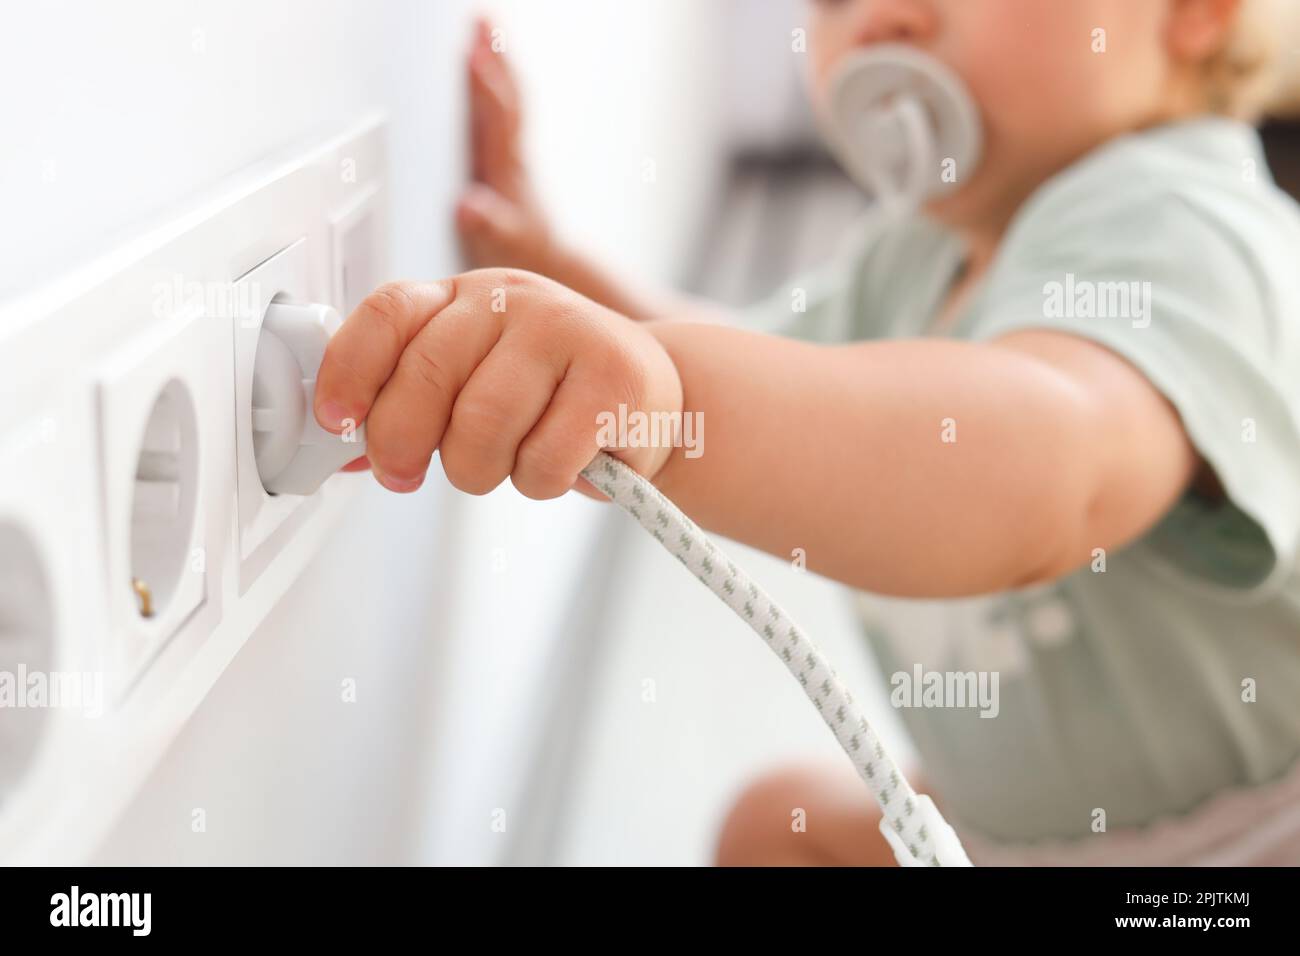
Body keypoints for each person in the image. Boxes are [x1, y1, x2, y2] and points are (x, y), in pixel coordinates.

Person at [318, 1, 1300, 865]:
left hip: (1244, 848)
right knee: (778, 828)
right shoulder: (911, 257)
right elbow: (771, 370)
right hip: (1018, 836)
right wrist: (562, 278)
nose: (880, 15)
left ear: (1194, 9)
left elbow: (1054, 465)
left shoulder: (1184, 222)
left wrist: (671, 397)